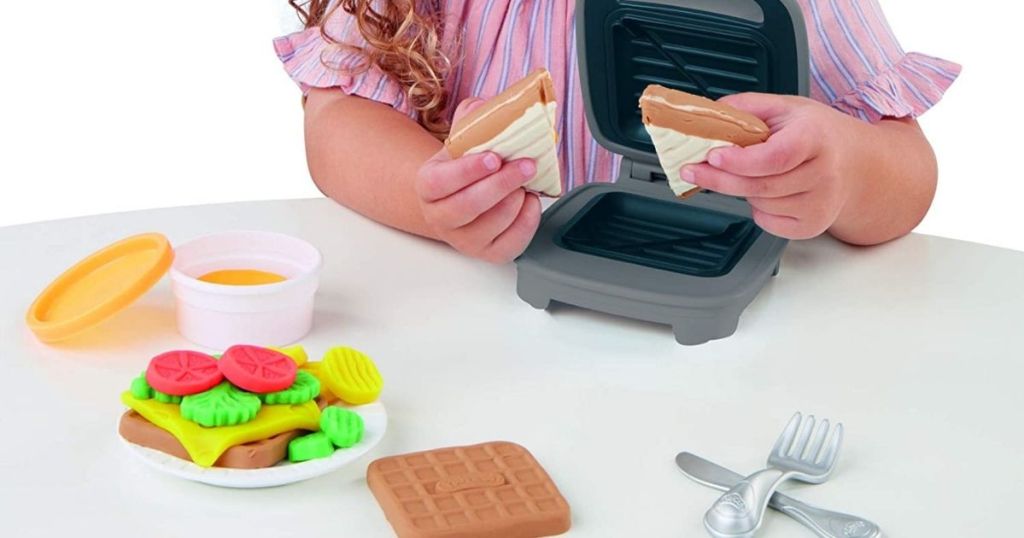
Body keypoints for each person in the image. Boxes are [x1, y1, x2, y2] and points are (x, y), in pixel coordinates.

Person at [275, 0, 959, 262]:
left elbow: (909, 173)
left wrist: (844, 171)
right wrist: (430, 197)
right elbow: (336, 118)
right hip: (496, 324)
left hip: (735, 338)